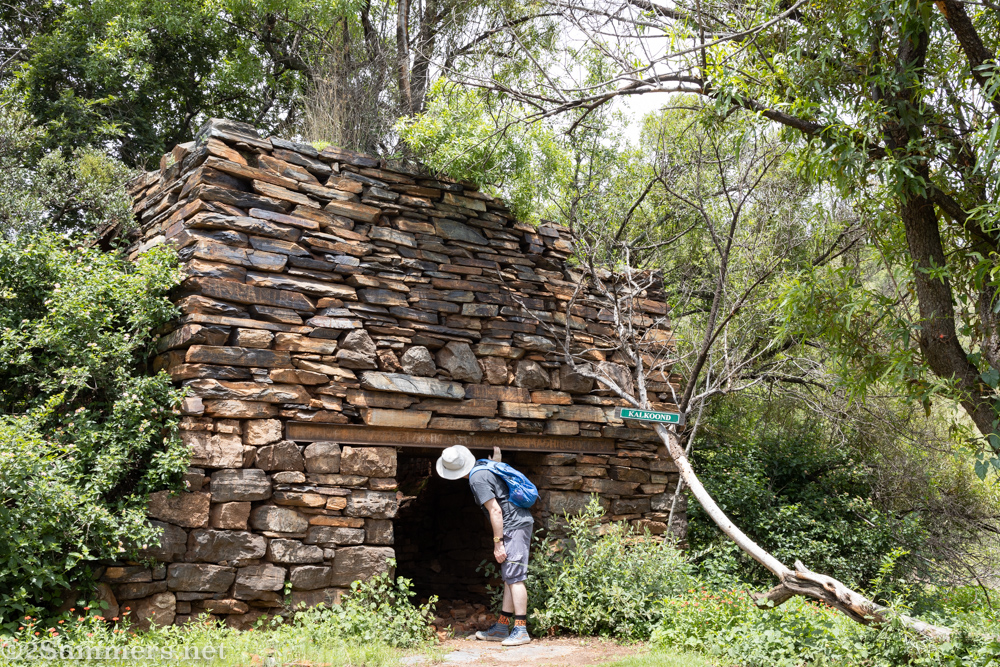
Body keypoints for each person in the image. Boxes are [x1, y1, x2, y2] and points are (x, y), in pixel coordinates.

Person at [435, 444, 533, 646]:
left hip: (514, 526)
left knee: (515, 578)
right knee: (509, 577)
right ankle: (502, 628)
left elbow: (496, 510)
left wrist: (498, 543)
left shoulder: (476, 478)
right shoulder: (483, 467)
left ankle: (521, 630)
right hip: (516, 524)